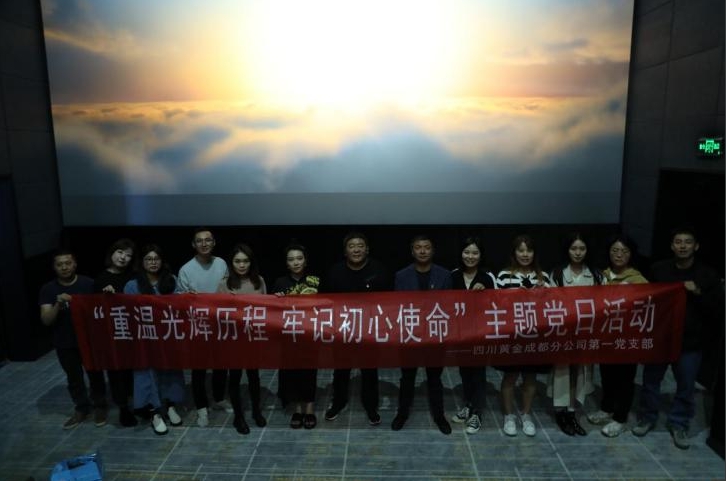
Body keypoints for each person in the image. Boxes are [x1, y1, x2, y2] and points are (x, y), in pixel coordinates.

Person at [632, 227, 722, 449]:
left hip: (690, 342)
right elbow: (647, 300)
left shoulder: (707, 275)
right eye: (678, 242)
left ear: (696, 246)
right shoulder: (658, 269)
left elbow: (717, 308)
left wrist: (697, 292)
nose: (682, 246)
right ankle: (647, 417)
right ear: (672, 246)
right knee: (651, 381)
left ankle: (679, 423)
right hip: (660, 338)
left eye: (687, 242)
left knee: (686, 385)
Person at [322, 232, 391, 426]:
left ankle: (371, 406)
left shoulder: (379, 270)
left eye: (360, 245)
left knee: (369, 370)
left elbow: (389, 301)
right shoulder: (335, 271)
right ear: (345, 251)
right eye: (351, 246)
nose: (356, 249)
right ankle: (338, 402)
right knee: (341, 369)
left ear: (367, 249)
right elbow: (326, 301)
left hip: (369, 329)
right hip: (342, 329)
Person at [586, 233, 647, 437]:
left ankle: (620, 418)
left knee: (625, 379)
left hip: (627, 338)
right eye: (615, 250)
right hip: (605, 337)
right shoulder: (601, 276)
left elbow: (646, 309)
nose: (619, 255)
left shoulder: (638, 280)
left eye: (624, 251)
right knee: (606, 375)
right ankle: (606, 408)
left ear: (631, 254)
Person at [391, 234, 453, 434]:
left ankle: (439, 416)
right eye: (418, 247)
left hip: (435, 334)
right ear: (412, 251)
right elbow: (397, 307)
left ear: (433, 250)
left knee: (434, 378)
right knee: (407, 378)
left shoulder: (445, 275)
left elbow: (449, 306)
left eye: (427, 247)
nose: (423, 251)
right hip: (410, 334)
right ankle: (402, 414)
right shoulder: (401, 275)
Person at [494, 234, 553, 437]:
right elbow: (496, 305)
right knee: (510, 376)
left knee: (530, 376)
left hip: (536, 335)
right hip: (512, 334)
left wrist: (543, 294)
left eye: (529, 250)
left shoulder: (544, 277)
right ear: (514, 253)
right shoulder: (504, 276)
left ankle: (526, 414)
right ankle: (509, 415)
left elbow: (554, 306)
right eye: (521, 250)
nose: (525, 254)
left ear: (534, 253)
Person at [124, 244, 185, 435]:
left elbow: (180, 307)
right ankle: (154, 412)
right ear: (142, 262)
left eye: (156, 259)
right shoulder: (132, 285)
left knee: (171, 371)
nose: (153, 262)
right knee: (147, 374)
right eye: (148, 259)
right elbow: (127, 313)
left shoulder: (172, 280)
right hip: (144, 340)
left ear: (162, 261)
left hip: (167, 337)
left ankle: (170, 405)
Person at [39, 249, 103, 429]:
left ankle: (100, 406)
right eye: (60, 264)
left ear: (75, 264)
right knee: (74, 378)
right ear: (54, 267)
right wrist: (58, 304)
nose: (64, 267)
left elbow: (101, 310)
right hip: (64, 342)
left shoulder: (89, 284)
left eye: (68, 263)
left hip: (89, 341)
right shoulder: (48, 289)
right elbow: (46, 320)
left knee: (95, 375)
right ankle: (82, 408)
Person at [549, 233, 603, 436]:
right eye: (574, 248)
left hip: (585, 334)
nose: (578, 253)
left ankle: (572, 412)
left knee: (579, 372)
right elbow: (551, 304)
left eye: (582, 248)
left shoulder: (596, 275)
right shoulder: (557, 274)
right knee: (562, 372)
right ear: (567, 250)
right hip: (563, 333)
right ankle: (560, 412)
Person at [178, 227, 230, 427]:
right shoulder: (185, 269)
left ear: (214, 243)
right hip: (197, 325)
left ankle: (219, 398)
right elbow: (181, 302)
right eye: (199, 240)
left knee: (221, 365)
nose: (204, 243)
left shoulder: (221, 263)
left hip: (219, 323)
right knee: (198, 369)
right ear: (194, 244)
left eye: (208, 240)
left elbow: (226, 291)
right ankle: (201, 408)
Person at [217, 243, 268, 435]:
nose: (242, 265)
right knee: (235, 378)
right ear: (232, 263)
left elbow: (266, 310)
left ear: (251, 262)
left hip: (253, 338)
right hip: (233, 339)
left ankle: (256, 411)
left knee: (254, 376)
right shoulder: (224, 284)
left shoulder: (259, 281)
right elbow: (217, 313)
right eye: (237, 261)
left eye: (245, 261)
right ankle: (238, 416)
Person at [450, 236, 495, 434]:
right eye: (467, 252)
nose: (470, 256)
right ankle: (468, 405)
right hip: (460, 334)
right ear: (461, 254)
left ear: (481, 255)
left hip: (480, 334)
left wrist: (485, 293)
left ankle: (477, 412)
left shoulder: (487, 278)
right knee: (464, 372)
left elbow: (497, 306)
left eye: (475, 253)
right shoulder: (453, 276)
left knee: (478, 373)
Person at [272, 242, 320, 429]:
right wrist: (276, 300)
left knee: (309, 372)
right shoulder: (280, 283)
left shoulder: (315, 280)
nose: (296, 262)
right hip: (288, 335)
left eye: (299, 258)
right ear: (286, 263)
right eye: (291, 259)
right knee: (291, 372)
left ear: (305, 261)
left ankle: (310, 409)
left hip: (309, 333)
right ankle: (297, 410)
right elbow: (273, 311)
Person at [93, 238, 138, 427]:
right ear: (112, 253)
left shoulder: (135, 276)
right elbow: (94, 309)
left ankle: (139, 403)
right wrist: (105, 297)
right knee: (116, 372)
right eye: (120, 252)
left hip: (134, 332)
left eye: (128, 255)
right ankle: (123, 408)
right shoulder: (100, 279)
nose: (123, 257)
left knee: (135, 370)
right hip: (112, 334)